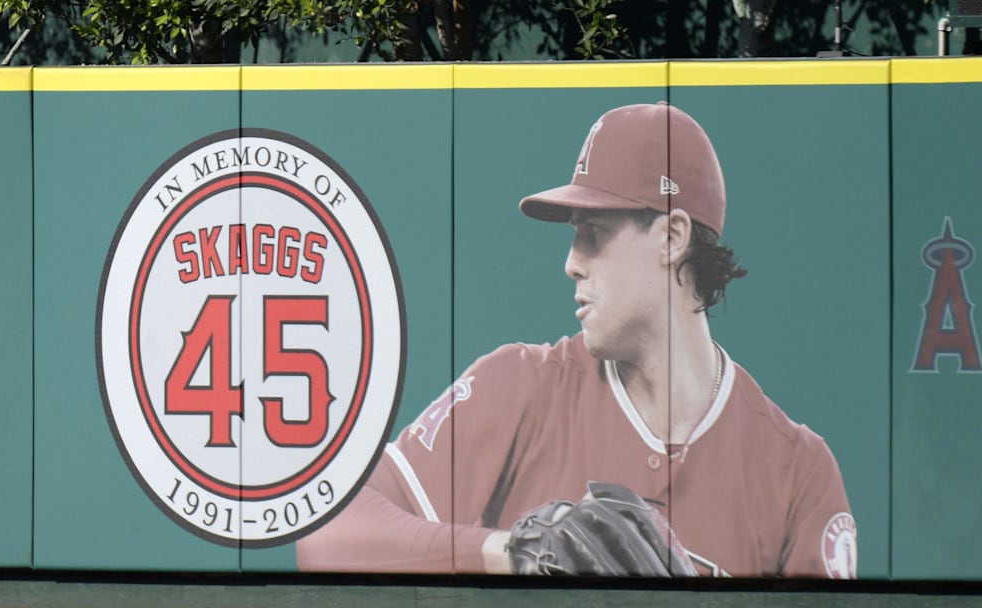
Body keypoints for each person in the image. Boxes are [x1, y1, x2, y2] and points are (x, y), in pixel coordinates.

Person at [296, 102, 856, 578]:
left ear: (671, 236)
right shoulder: (518, 386)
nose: (571, 264)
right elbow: (327, 532)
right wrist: (510, 551)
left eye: (593, 235)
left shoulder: (797, 471)